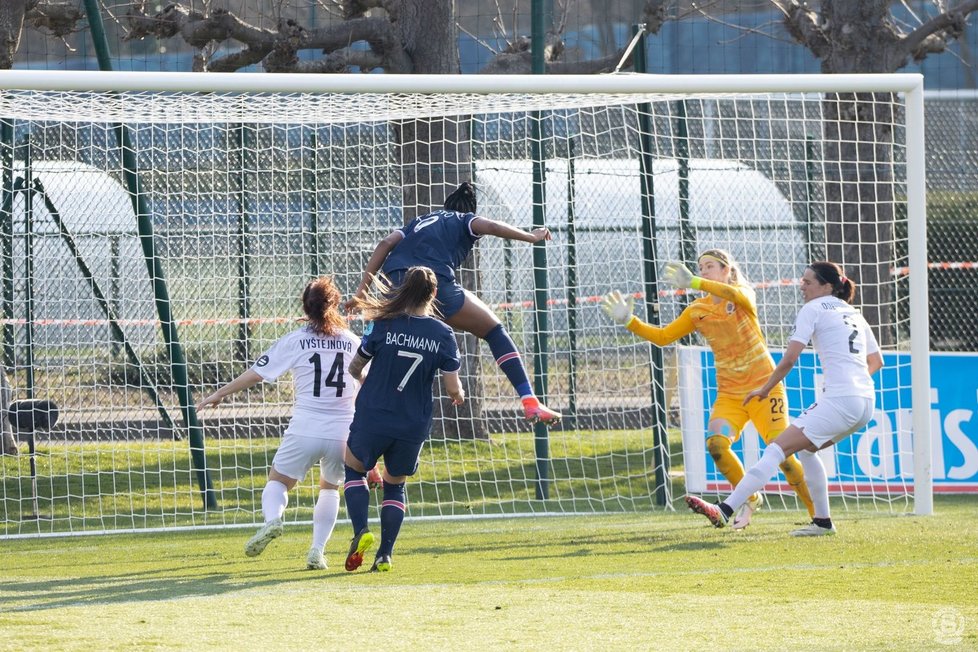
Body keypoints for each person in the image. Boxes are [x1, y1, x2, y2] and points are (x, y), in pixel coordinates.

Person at [602, 249, 815, 529]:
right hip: (730, 394)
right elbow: (664, 337)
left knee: (784, 456)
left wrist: (694, 283)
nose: (703, 271)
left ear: (727, 270)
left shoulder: (743, 294)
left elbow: (738, 296)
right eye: (700, 267)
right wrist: (631, 321)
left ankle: (817, 515)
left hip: (765, 389)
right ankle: (751, 497)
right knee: (716, 445)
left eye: (710, 266)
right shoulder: (698, 310)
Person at [686, 261, 883, 536]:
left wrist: (764, 389)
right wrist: (854, 385)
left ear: (827, 286)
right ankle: (822, 522)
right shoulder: (854, 313)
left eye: (808, 282)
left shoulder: (813, 309)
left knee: (776, 449)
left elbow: (790, 359)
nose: (801, 286)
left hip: (841, 400)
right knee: (807, 450)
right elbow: (876, 361)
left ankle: (725, 509)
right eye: (802, 281)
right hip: (865, 402)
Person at [345, 181, 560, 425]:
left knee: (388, 341)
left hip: (394, 286)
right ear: (470, 209)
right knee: (494, 331)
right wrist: (530, 237)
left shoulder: (419, 221)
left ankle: (363, 413)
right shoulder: (465, 220)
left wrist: (361, 293)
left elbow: (385, 244)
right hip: (433, 286)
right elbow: (489, 225)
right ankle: (529, 401)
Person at [196, 276, 363, 569]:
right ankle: (317, 550)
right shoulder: (352, 342)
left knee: (278, 483)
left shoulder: (296, 339)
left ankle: (273, 520)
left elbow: (257, 373)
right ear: (335, 303)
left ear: (305, 307)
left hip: (305, 427)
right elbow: (368, 384)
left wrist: (220, 393)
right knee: (329, 489)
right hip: (343, 431)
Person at [342, 266, 464, 573]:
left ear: (402, 289)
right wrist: (458, 394)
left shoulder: (381, 323)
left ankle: (360, 530)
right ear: (434, 294)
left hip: (375, 414)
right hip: (412, 423)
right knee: (394, 486)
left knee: (354, 469)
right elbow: (453, 387)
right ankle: (384, 554)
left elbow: (355, 366)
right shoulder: (443, 334)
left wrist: (366, 377)